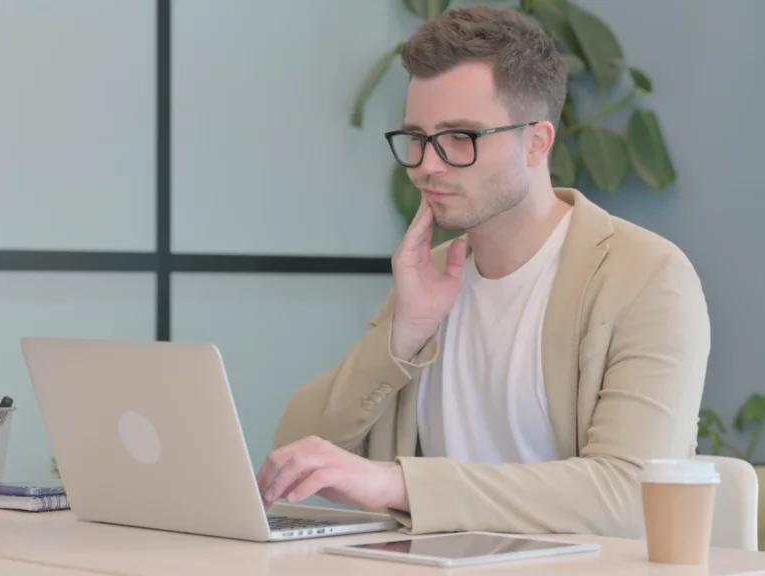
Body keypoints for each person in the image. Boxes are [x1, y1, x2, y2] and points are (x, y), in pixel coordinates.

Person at [256, 5, 710, 539]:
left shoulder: (647, 277)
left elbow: (629, 493)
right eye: (418, 138)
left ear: (538, 142)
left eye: (459, 138)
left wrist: (399, 484)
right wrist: (401, 338)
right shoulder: (435, 280)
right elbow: (296, 453)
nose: (427, 164)